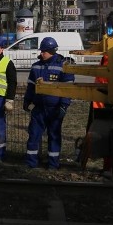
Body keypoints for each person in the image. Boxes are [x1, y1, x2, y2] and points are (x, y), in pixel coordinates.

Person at [23, 36, 75, 169]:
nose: (41, 53)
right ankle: (31, 163)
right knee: (34, 135)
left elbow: (68, 89)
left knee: (54, 136)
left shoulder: (64, 66)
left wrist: (64, 106)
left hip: (55, 109)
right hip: (39, 108)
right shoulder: (36, 66)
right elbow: (30, 86)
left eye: (44, 51)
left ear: (52, 51)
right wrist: (27, 100)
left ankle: (53, 164)